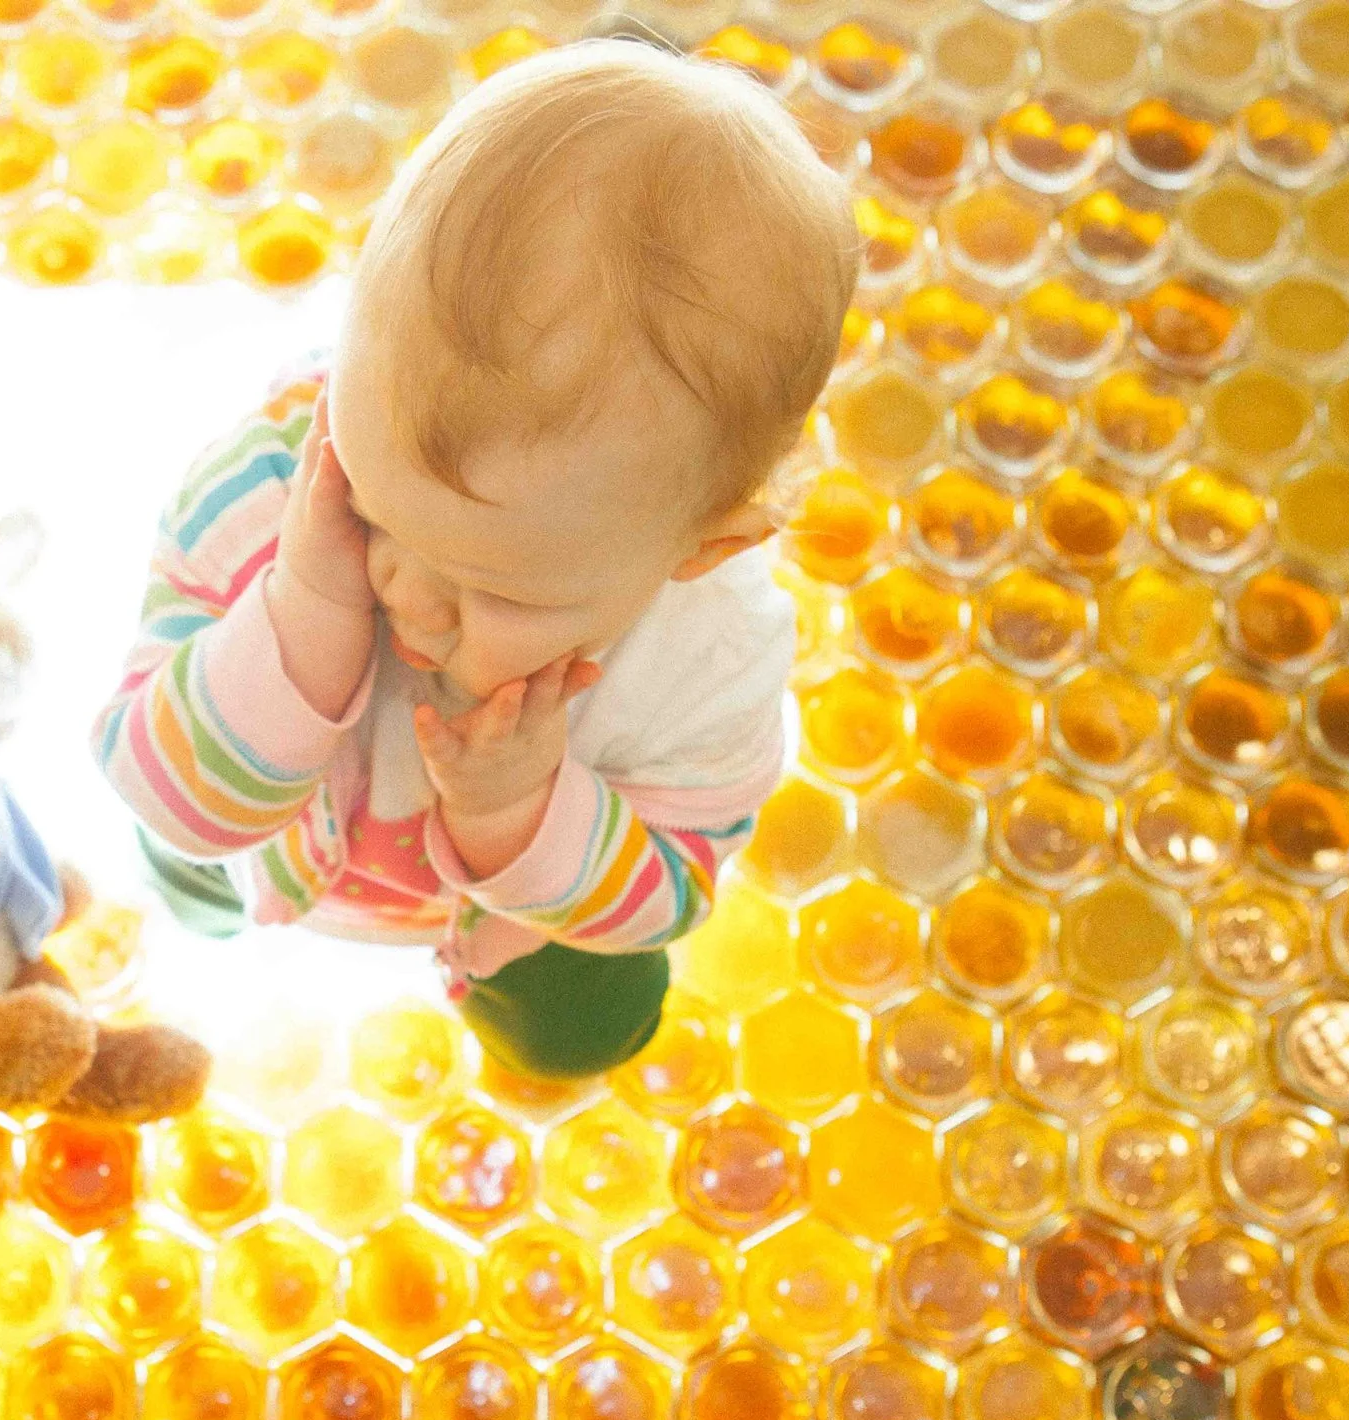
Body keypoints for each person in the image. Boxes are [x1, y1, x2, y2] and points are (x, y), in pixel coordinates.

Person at [91, 36, 859, 1080]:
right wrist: (303, 607)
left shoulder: (713, 653)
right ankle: (208, 907)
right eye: (377, 513)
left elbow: (671, 886)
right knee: (183, 851)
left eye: (492, 589)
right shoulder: (277, 485)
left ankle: (499, 989)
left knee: (582, 1027)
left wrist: (516, 812)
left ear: (700, 547)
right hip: (267, 833)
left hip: (509, 908)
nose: (402, 592)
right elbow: (158, 783)